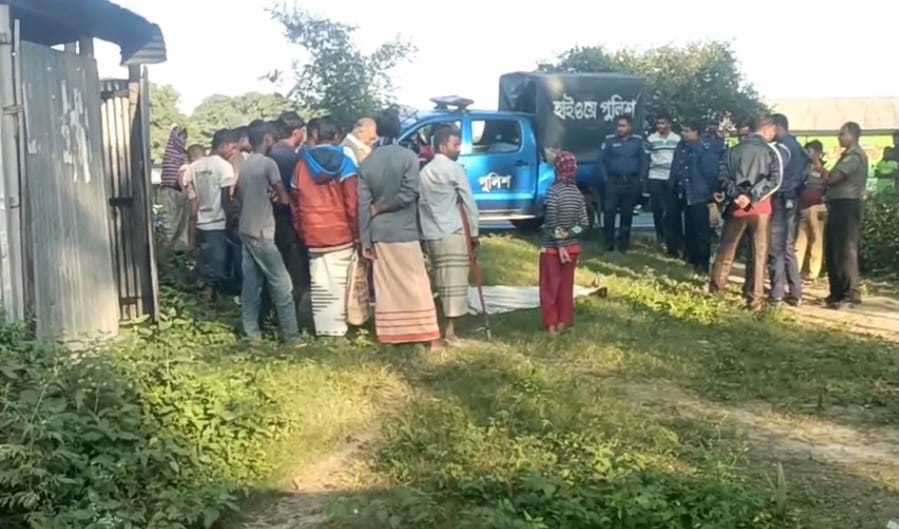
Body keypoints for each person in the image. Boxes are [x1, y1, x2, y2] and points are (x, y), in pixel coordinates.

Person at [358, 109, 442, 348]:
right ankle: (429, 336)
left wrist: (364, 241)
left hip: (379, 234)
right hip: (405, 231)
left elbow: (363, 206)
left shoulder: (367, 162)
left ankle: (390, 335)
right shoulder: (408, 157)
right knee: (417, 282)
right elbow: (410, 193)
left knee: (385, 285)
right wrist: (384, 207)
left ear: (378, 130)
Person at [291, 116, 360, 337]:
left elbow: (295, 203)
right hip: (341, 233)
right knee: (340, 282)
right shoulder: (346, 163)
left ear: (315, 136)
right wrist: (356, 232)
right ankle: (340, 329)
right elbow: (352, 203)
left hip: (312, 233)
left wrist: (302, 229)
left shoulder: (301, 166)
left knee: (320, 283)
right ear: (337, 136)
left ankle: (324, 329)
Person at [237, 121, 303, 345]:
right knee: (283, 284)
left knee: (251, 284)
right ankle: (292, 337)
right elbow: (284, 198)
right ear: (266, 139)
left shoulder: (245, 164)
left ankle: (252, 334)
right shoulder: (268, 164)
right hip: (263, 231)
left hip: (245, 228)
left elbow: (237, 194)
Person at [709, 115, 783, 311]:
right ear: (768, 129)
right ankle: (755, 299)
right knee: (759, 254)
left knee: (726, 251)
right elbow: (775, 180)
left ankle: (715, 291)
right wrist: (753, 196)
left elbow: (723, 177)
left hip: (737, 208)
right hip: (761, 209)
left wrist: (739, 195)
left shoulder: (732, 151)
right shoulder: (771, 152)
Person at [419, 125, 479, 345]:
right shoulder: (455, 169)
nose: (459, 149)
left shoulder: (424, 172)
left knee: (438, 282)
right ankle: (449, 332)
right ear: (443, 146)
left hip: (432, 234)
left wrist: (423, 235)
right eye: (455, 145)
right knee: (454, 284)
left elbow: (422, 205)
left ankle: (434, 327)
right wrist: (474, 233)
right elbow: (469, 202)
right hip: (454, 233)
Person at [811, 121, 868, 309]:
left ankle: (851, 294)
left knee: (846, 250)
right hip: (838, 205)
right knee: (833, 249)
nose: (839, 137)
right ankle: (836, 293)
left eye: (842, 134)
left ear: (852, 136)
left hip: (848, 206)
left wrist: (819, 167)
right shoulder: (846, 155)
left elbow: (834, 178)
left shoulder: (855, 156)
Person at [184, 129, 238, 296]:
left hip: (201, 224)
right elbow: (225, 199)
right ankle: (216, 307)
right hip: (218, 225)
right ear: (223, 145)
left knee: (205, 269)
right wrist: (232, 221)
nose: (233, 152)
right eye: (232, 147)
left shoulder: (194, 167)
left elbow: (192, 195)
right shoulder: (224, 167)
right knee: (218, 272)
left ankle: (204, 305)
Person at [267, 111, 311, 318]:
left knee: (274, 271)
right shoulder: (294, 159)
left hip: (269, 220)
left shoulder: (268, 154)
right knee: (294, 272)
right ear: (296, 132)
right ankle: (289, 318)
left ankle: (272, 314)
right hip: (290, 222)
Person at [540, 151, 589, 335]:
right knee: (566, 287)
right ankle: (563, 322)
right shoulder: (577, 194)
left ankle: (551, 325)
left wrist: (560, 244)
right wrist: (569, 234)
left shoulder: (554, 192)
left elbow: (551, 220)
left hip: (552, 250)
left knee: (549, 288)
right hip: (573, 248)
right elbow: (584, 223)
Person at [768, 113, 808, 306]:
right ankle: (796, 292)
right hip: (794, 199)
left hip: (782, 200)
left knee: (776, 246)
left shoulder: (783, 147)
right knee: (789, 247)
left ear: (776, 127)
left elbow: (775, 174)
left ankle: (777, 294)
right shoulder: (798, 146)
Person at [596, 114, 649, 252]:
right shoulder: (609, 141)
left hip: (631, 182)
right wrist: (605, 178)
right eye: (619, 125)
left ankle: (623, 245)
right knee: (609, 212)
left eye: (623, 125)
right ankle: (608, 244)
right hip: (613, 182)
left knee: (627, 214)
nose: (620, 128)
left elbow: (644, 161)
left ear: (630, 127)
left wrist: (641, 178)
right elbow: (601, 161)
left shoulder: (637, 142)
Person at [671, 122, 718, 275]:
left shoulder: (704, 149)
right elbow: (676, 168)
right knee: (689, 229)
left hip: (699, 195)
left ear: (696, 132)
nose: (683, 133)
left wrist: (710, 193)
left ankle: (703, 265)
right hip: (684, 193)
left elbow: (711, 174)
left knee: (701, 232)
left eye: (686, 130)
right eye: (682, 130)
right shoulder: (681, 147)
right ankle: (690, 259)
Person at [646, 114, 682, 255]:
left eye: (663, 123)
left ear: (669, 124)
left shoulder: (677, 139)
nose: (660, 126)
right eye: (658, 123)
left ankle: (674, 241)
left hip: (672, 178)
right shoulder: (651, 139)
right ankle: (660, 239)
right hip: (655, 177)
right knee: (658, 210)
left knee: (672, 211)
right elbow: (647, 158)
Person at [795, 141, 828, 282]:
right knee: (799, 241)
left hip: (817, 208)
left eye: (809, 151)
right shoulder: (803, 168)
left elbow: (829, 181)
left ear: (816, 152)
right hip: (803, 208)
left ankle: (813, 273)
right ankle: (795, 270)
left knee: (816, 241)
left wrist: (817, 163)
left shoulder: (823, 169)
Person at [157, 126, 191, 251]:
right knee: (170, 225)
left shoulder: (182, 153)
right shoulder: (171, 153)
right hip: (170, 190)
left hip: (178, 191)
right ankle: (165, 252)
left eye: (185, 137)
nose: (184, 140)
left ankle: (177, 253)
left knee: (181, 225)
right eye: (181, 137)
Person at [181, 143, 206, 249]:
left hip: (195, 201)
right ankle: (192, 244)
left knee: (193, 220)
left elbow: (185, 184)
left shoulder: (191, 168)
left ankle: (192, 244)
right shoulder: (197, 167)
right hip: (196, 198)